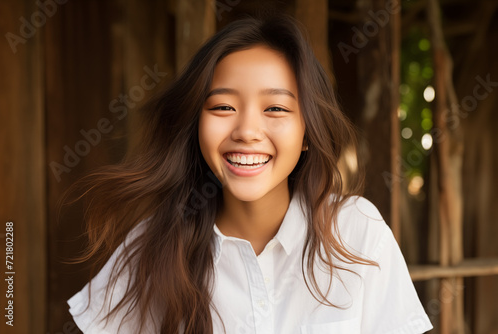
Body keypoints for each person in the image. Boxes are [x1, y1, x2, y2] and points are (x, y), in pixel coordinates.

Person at [67, 15, 433, 334]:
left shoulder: (356, 232)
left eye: (275, 107)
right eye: (223, 106)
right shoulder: (153, 244)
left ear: (308, 133)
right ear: (196, 125)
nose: (247, 130)